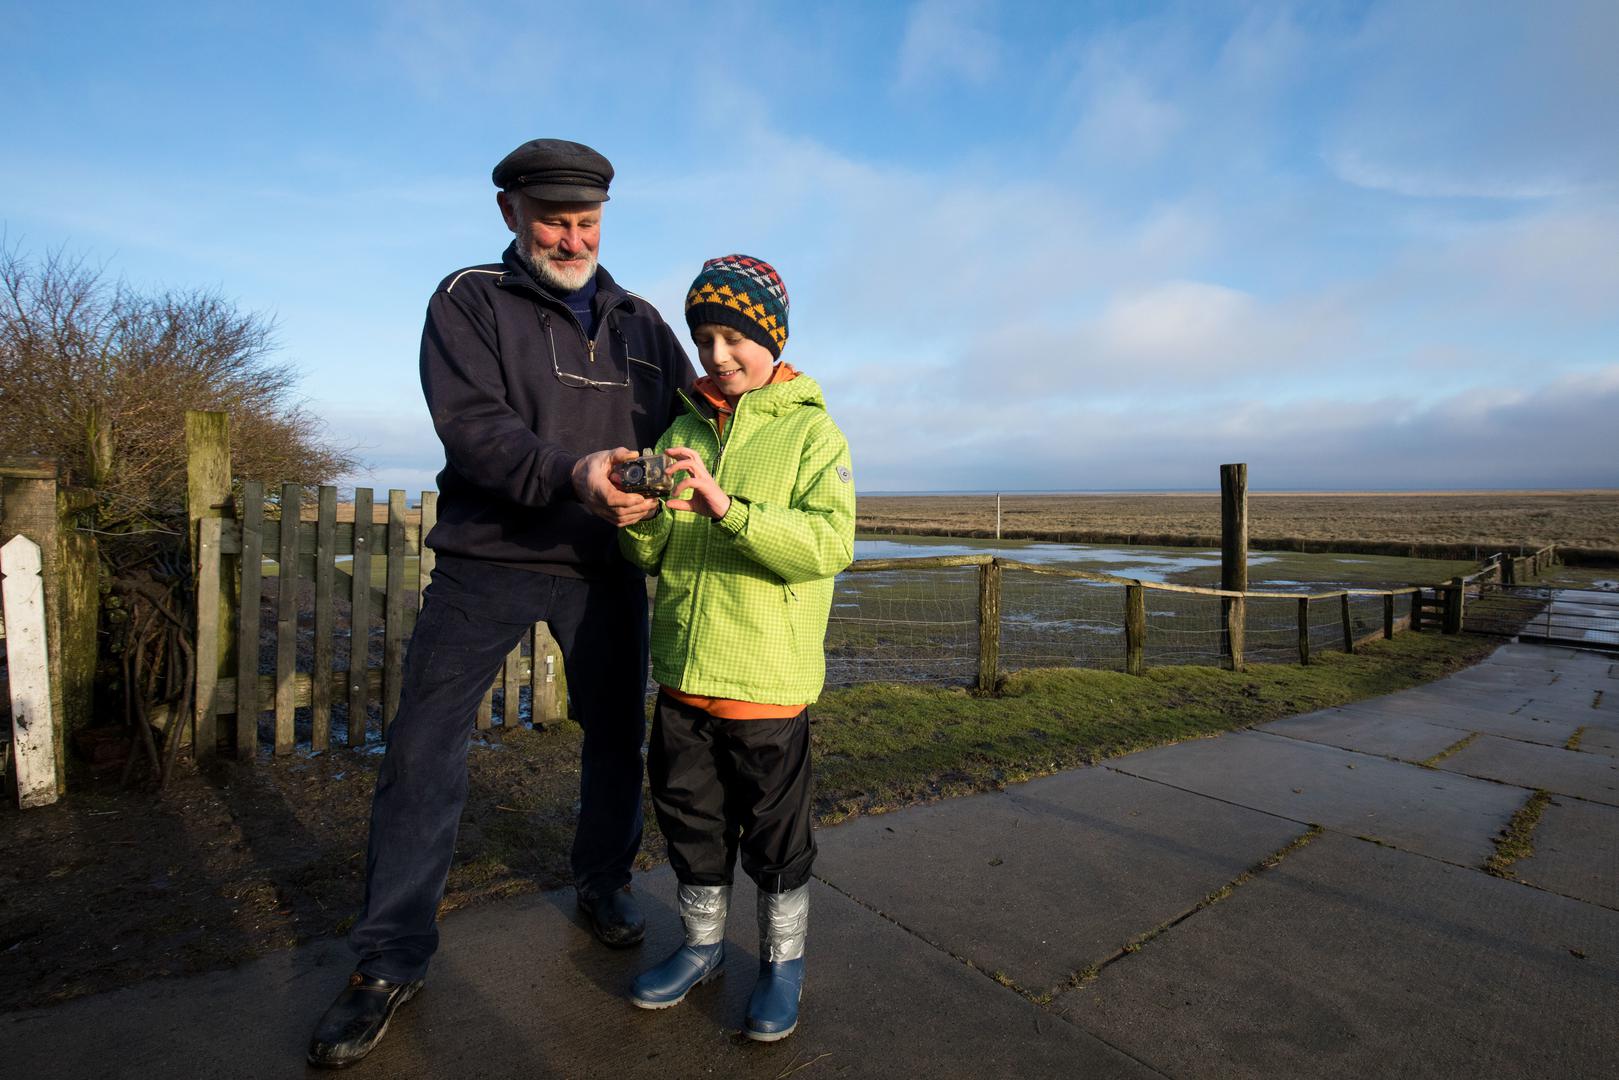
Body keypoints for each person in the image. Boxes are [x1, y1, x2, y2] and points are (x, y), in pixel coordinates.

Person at [307, 139, 694, 1069]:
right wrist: (574, 474)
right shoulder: (467, 299)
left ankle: (601, 883)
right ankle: (388, 961)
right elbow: (474, 431)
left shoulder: (642, 322)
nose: (571, 236)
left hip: (606, 569)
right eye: (552, 218)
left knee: (614, 739)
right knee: (423, 750)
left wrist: (764, 405)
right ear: (509, 213)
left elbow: (697, 417)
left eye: (587, 220)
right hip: (485, 561)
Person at [617, 255, 855, 1042]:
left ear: (771, 336)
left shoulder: (814, 432)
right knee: (689, 823)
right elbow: (657, 558)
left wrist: (726, 506)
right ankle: (700, 947)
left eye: (733, 338)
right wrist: (640, 520)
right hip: (683, 680)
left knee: (776, 839)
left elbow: (826, 545)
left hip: (766, 685)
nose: (718, 356)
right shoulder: (682, 426)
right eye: (703, 338)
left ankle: (782, 963)